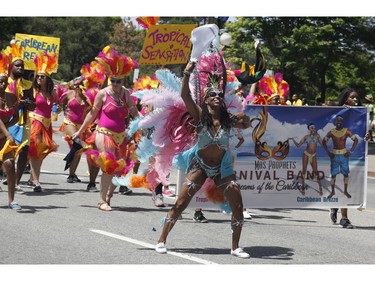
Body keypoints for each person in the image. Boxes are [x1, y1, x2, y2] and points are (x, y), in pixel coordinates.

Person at [155, 56, 253, 258]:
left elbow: (247, 123)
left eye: (219, 94)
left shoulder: (227, 119)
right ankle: (161, 240)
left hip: (222, 168)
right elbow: (184, 95)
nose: (217, 96)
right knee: (181, 204)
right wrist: (187, 72)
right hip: (199, 166)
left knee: (238, 205)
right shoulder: (199, 116)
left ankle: (235, 247)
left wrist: (244, 119)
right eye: (212, 94)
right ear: (206, 99)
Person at [72, 46, 140, 211]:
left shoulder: (126, 94)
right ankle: (102, 200)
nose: (116, 84)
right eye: (113, 81)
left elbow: (134, 112)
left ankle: (109, 195)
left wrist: (144, 124)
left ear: (124, 80)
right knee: (108, 165)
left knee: (120, 168)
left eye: (119, 81)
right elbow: (92, 114)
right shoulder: (103, 93)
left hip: (121, 135)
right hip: (104, 133)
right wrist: (80, 132)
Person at [322, 88, 361, 229]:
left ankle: (344, 218)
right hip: (334, 155)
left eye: (357, 98)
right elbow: (324, 135)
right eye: (352, 97)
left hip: (345, 155)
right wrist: (328, 152)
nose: (355, 100)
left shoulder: (360, 115)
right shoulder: (337, 114)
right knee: (335, 179)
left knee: (345, 181)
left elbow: (360, 135)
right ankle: (334, 204)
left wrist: (351, 150)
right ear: (346, 99)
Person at [4, 44, 35, 193]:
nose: (21, 69)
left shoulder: (28, 84)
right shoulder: (4, 82)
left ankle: (16, 182)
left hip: (24, 121)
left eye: (22, 66)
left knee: (24, 150)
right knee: (4, 150)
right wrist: (17, 103)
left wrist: (28, 103)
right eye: (17, 66)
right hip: (7, 120)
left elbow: (33, 105)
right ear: (11, 67)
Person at [27, 51, 59, 192]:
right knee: (35, 151)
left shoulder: (52, 92)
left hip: (47, 124)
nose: (39, 78)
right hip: (35, 123)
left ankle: (33, 178)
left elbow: (56, 104)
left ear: (47, 79)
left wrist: (56, 109)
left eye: (42, 76)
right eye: (38, 76)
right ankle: (36, 181)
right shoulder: (34, 90)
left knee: (41, 153)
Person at [0, 51, 21, 209]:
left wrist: (6, 130)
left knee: (10, 165)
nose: (2, 85)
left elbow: (15, 117)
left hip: (2, 138)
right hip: (4, 136)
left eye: (4, 82)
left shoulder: (11, 97)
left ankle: (11, 200)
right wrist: (8, 133)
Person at [290, 123, 324, 196]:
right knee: (304, 171)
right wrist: (293, 140)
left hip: (313, 156)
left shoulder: (317, 136)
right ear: (309, 129)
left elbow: (323, 145)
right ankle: (302, 187)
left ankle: (320, 187)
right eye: (312, 128)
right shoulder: (306, 137)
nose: (313, 129)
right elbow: (298, 145)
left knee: (316, 172)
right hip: (306, 155)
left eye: (314, 128)